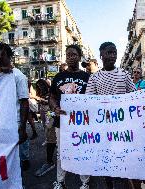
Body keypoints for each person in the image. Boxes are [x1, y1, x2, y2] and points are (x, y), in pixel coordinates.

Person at [85, 41, 135, 189]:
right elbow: (89, 101)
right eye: (109, 52)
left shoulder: (124, 74)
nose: (112, 55)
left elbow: (134, 96)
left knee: (123, 153)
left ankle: (124, 177)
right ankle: (109, 184)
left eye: (114, 52)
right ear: (101, 55)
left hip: (122, 124)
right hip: (103, 125)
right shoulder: (94, 78)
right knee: (106, 155)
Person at [0, 41, 29, 188]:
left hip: (13, 125)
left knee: (13, 162)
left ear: (2, 51)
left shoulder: (18, 76)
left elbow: (24, 103)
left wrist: (22, 127)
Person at [50, 44, 90, 189]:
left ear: (79, 57)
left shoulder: (87, 77)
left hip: (82, 122)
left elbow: (93, 99)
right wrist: (55, 107)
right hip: (62, 122)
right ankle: (60, 181)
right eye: (68, 55)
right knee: (62, 152)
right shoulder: (59, 76)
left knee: (83, 150)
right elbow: (52, 96)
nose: (70, 57)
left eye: (73, 54)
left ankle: (85, 182)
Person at [34, 79, 57, 176]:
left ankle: (50, 162)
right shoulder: (43, 93)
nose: (40, 87)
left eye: (41, 85)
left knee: (51, 137)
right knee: (49, 136)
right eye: (38, 86)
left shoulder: (52, 92)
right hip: (48, 116)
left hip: (53, 115)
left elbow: (51, 103)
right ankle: (49, 161)